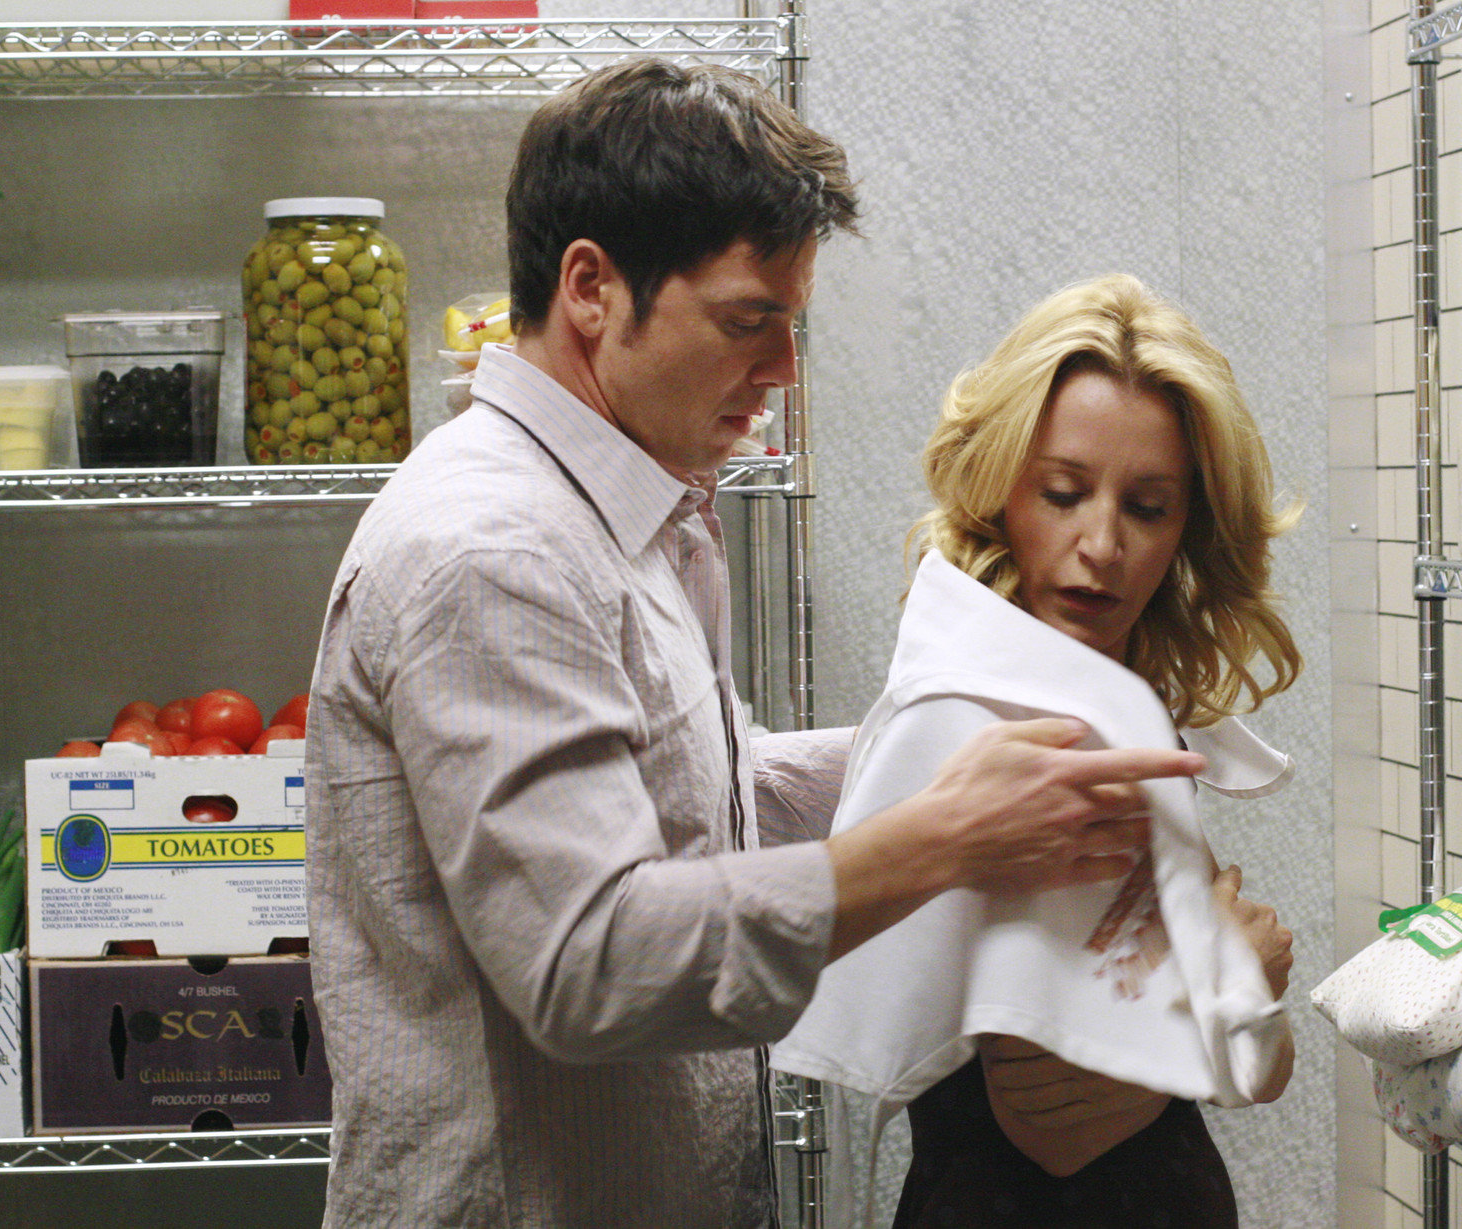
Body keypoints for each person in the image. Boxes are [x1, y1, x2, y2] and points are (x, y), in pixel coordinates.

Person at [303, 62, 1205, 1228]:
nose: (782, 368)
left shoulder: (622, 515)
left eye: (791, 322)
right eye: (748, 321)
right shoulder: (493, 550)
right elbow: (593, 959)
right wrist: (945, 833)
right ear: (591, 287)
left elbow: (713, 796)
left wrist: (973, 737)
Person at [876, 273, 1299, 1227]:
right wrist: (1231, 970)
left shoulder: (1119, 707)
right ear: (999, 491)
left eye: (1148, 508)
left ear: (1188, 529)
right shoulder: (995, 725)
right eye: (1063, 493)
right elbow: (1048, 1117)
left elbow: (1261, 1067)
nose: (1101, 543)